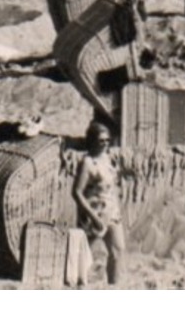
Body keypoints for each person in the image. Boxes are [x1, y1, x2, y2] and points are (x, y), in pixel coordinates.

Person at [73, 120, 125, 287]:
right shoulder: (87, 163)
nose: (104, 144)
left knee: (118, 250)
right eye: (100, 140)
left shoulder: (108, 159)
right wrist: (93, 216)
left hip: (111, 213)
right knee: (85, 257)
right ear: (92, 141)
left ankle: (113, 286)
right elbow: (77, 192)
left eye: (107, 140)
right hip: (92, 216)